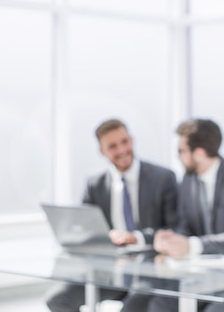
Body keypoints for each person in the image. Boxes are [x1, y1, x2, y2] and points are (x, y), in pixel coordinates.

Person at [45, 118, 178, 312]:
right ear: (102, 151)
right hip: (110, 272)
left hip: (150, 272)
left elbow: (174, 228)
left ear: (131, 140)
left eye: (125, 142)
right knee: (58, 299)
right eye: (113, 146)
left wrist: (136, 238)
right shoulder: (95, 184)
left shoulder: (163, 178)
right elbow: (86, 227)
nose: (122, 150)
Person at [148, 118, 224, 312]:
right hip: (205, 276)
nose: (178, 157)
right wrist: (173, 240)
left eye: (181, 151)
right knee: (161, 304)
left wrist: (191, 245)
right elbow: (185, 227)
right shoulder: (188, 181)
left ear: (198, 153)